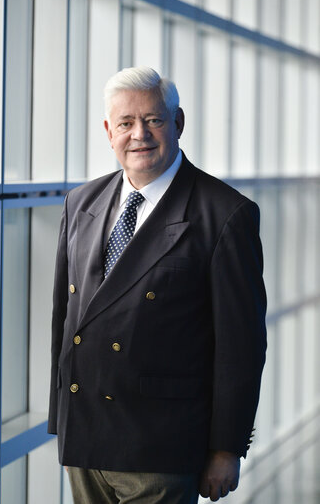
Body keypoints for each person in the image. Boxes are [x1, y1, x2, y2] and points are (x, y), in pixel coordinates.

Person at [48, 66, 267, 503]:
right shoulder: (80, 202)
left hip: (162, 446)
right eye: (126, 123)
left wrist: (226, 449)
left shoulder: (225, 214)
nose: (139, 134)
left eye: (153, 120)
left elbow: (240, 347)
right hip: (85, 439)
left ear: (178, 123)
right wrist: (62, 419)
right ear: (109, 132)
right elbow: (65, 318)